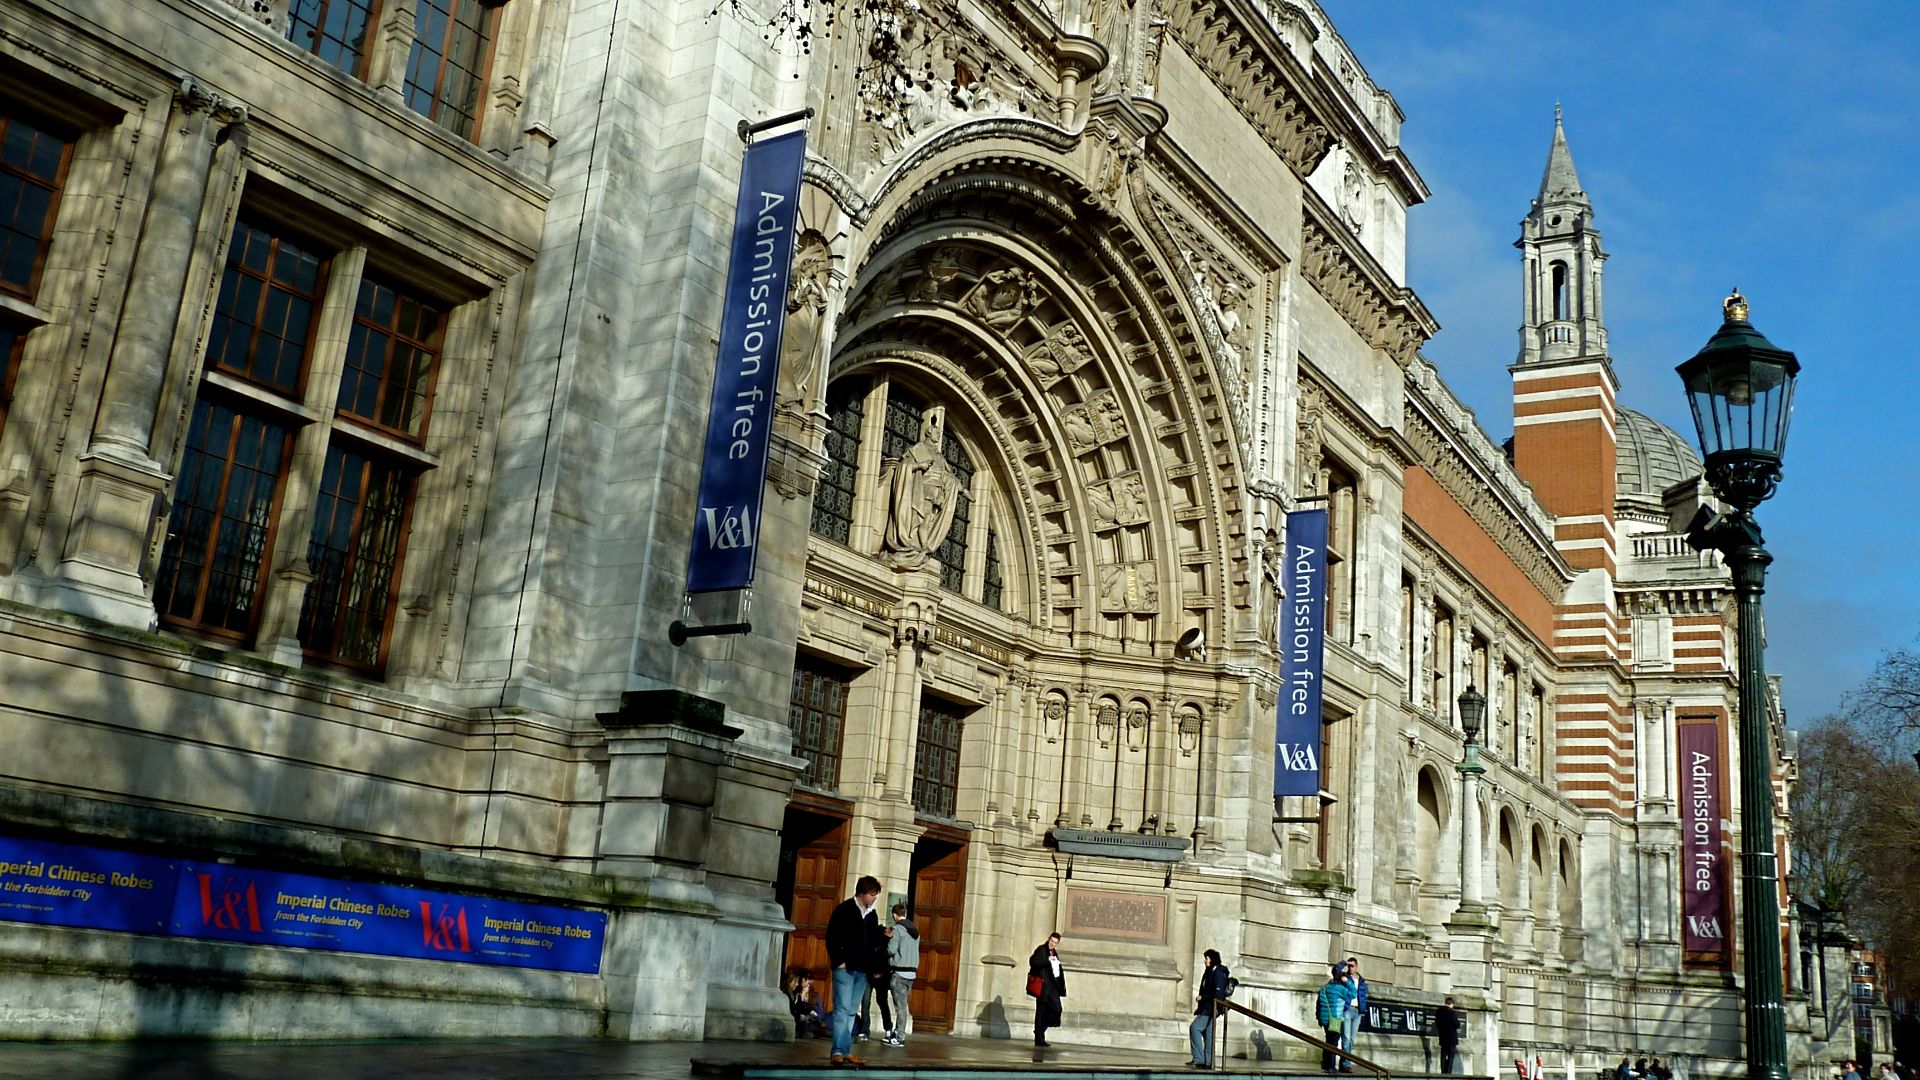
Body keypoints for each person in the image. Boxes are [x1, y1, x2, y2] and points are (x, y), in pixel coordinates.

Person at [825, 875, 883, 1067]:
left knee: (851, 1011)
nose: (874, 898)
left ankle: (846, 1050)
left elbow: (873, 942)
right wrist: (838, 960)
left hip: (863, 970)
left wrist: (875, 966)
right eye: (872, 894)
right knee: (841, 1009)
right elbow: (832, 936)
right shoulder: (845, 910)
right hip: (845, 968)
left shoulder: (872, 915)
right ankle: (838, 1051)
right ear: (862, 893)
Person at [1189, 948, 1232, 1068]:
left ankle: (1199, 1058)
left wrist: (1203, 997)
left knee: (1195, 1028)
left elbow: (1217, 993)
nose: (1205, 961)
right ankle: (1208, 1061)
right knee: (1208, 1035)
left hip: (1210, 1008)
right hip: (1208, 1008)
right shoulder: (1210, 971)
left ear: (1212, 959)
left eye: (1207, 958)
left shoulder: (1218, 972)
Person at [885, 903, 920, 1045]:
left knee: (901, 1006)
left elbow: (891, 950)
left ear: (894, 915)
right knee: (903, 1004)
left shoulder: (898, 929)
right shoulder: (915, 931)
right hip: (911, 973)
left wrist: (887, 939)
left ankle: (900, 1035)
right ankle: (898, 1031)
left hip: (899, 972)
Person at [1316, 962, 1356, 1072]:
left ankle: (1326, 1063)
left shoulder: (1325, 987)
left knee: (1328, 1041)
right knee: (1333, 1043)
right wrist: (1347, 981)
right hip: (1335, 1019)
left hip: (1325, 1018)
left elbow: (1318, 1003)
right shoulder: (1340, 989)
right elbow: (1353, 993)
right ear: (1340, 977)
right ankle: (1331, 1067)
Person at [1028, 932, 1066, 1047]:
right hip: (1043, 987)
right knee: (1041, 1012)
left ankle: (1040, 1030)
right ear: (1048, 939)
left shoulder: (1054, 953)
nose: (1052, 944)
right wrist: (1047, 960)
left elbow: (1058, 970)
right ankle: (1039, 1038)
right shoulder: (1041, 950)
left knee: (1057, 1009)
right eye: (1051, 941)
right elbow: (1033, 962)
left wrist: (1061, 985)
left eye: (1055, 943)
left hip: (1052, 987)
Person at [1341, 956, 1369, 1071]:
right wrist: (1344, 963)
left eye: (1352, 966)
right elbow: (1336, 970)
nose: (1350, 968)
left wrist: (1363, 1009)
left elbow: (1363, 996)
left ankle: (1345, 1061)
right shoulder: (1345, 978)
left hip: (1358, 1011)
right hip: (1348, 1009)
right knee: (1346, 1037)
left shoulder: (1362, 980)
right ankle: (1346, 1064)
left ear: (1356, 967)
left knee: (1352, 1039)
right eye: (1349, 966)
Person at [787, 970, 828, 1039]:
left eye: (808, 982)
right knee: (809, 1031)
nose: (807, 985)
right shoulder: (796, 994)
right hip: (801, 1022)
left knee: (825, 1031)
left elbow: (819, 1013)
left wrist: (815, 1015)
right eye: (803, 981)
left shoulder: (814, 996)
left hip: (813, 1022)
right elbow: (796, 1008)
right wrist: (802, 996)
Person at [1436, 995, 1461, 1075]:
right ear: (1451, 1004)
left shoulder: (1439, 1012)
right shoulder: (1451, 1013)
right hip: (1451, 1039)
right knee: (1450, 1058)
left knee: (1443, 1056)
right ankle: (1448, 1073)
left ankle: (1443, 1072)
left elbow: (1437, 1023)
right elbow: (1457, 1024)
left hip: (1443, 1037)